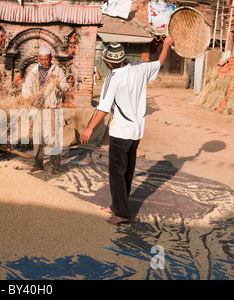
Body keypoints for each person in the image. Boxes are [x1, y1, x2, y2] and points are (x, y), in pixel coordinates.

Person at [80, 36, 174, 225]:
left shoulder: (113, 78)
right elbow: (160, 62)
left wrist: (90, 128)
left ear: (108, 63)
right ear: (123, 59)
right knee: (127, 171)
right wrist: (166, 45)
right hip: (136, 131)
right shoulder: (140, 68)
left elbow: (104, 108)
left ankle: (122, 212)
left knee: (117, 173)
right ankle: (117, 205)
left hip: (121, 132)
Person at [22, 46, 69, 175]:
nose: (44, 62)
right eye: (41, 59)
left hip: (51, 108)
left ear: (51, 58)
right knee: (37, 137)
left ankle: (56, 166)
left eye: (46, 60)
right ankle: (38, 164)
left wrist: (57, 83)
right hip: (37, 108)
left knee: (53, 137)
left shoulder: (58, 71)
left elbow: (66, 87)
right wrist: (29, 96)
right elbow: (26, 87)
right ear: (39, 58)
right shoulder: (34, 71)